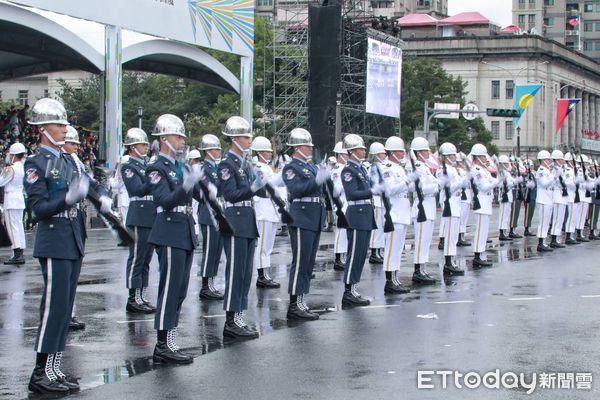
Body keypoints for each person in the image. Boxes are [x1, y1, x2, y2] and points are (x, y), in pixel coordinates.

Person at [25, 98, 89, 393]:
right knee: (53, 308)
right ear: (42, 129)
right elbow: (38, 208)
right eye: (58, 124)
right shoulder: (35, 162)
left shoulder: (65, 160)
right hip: (53, 238)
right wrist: (66, 199)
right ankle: (41, 373)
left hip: (71, 237)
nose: (65, 129)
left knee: (64, 309)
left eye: (64, 124)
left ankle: (54, 368)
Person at [147, 114, 201, 364]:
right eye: (178, 136)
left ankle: (171, 340)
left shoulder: (180, 166)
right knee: (169, 290)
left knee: (179, 290)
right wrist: (185, 186)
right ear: (165, 139)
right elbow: (164, 201)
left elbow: (195, 195)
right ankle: (162, 344)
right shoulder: (157, 167)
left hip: (184, 230)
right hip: (169, 230)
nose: (181, 140)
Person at [219, 116, 266, 338]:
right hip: (235, 218)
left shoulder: (245, 164)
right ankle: (231, 320)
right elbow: (230, 194)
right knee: (236, 271)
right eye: (246, 137)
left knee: (246, 273)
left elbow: (258, 191)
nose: (249, 140)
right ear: (235, 139)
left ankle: (239, 316)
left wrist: (266, 183)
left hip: (247, 219)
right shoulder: (227, 164)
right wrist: (253, 188)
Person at [61, 126, 112, 332]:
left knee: (74, 274)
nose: (76, 147)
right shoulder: (59, 161)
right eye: (72, 143)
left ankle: (70, 312)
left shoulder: (77, 163)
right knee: (63, 277)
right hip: (64, 221)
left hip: (77, 220)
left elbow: (91, 183)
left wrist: (102, 195)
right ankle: (64, 314)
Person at [282, 128, 327, 318]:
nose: (310, 149)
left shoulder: (312, 167)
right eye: (307, 146)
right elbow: (297, 190)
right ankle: (294, 304)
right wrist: (317, 180)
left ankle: (302, 300)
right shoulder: (291, 168)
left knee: (308, 263)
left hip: (314, 216)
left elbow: (320, 192)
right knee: (300, 262)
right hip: (301, 217)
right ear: (297, 148)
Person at [341, 133, 382, 305]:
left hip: (365, 213)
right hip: (356, 213)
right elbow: (351, 194)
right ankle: (348, 290)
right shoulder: (348, 170)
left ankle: (354, 287)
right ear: (351, 152)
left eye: (363, 148)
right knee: (354, 254)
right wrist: (372, 191)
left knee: (361, 254)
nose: (363, 151)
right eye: (359, 149)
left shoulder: (361, 169)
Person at [120, 128, 157, 313]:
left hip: (149, 215)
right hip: (139, 214)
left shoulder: (145, 166)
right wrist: (153, 179)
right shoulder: (128, 167)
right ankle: (133, 297)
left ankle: (141, 295)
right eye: (143, 144)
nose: (145, 147)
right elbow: (137, 189)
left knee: (146, 259)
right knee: (136, 258)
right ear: (133, 147)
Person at [380, 136, 411, 293]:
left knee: (398, 249)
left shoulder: (399, 167)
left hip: (402, 212)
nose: (403, 153)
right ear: (392, 152)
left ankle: (395, 278)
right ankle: (389, 281)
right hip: (394, 213)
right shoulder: (386, 168)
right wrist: (406, 182)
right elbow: (390, 189)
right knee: (392, 248)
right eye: (400, 150)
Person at [197, 134, 226, 300]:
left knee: (216, 251)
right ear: (208, 151)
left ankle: (211, 283)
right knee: (209, 251)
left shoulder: (215, 168)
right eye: (216, 149)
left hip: (217, 212)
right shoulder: (204, 168)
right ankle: (206, 286)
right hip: (208, 214)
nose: (218, 151)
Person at [251, 136, 282, 289]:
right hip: (263, 211)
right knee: (263, 245)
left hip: (271, 211)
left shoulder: (267, 167)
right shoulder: (258, 168)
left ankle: (266, 274)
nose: (270, 154)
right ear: (260, 152)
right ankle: (261, 275)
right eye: (267, 151)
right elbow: (263, 189)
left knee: (268, 246)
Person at [409, 137, 439, 283]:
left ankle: (423, 268)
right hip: (422, 207)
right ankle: (417, 270)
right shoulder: (417, 168)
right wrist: (436, 186)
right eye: (426, 150)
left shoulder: (425, 167)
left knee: (426, 241)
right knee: (421, 241)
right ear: (419, 152)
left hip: (429, 207)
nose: (428, 153)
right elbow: (418, 188)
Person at [436, 143, 466, 275]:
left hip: (456, 201)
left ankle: (452, 260)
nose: (455, 157)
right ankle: (448, 263)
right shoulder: (442, 170)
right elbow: (449, 187)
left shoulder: (453, 169)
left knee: (453, 235)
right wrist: (462, 182)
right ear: (446, 156)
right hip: (449, 201)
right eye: (452, 155)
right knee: (449, 235)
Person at [469, 144, 498, 267]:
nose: (485, 158)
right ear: (477, 157)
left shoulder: (484, 170)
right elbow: (484, 187)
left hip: (486, 203)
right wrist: (498, 181)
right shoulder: (476, 170)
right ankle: (477, 255)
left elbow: (492, 182)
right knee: (480, 230)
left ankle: (481, 253)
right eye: (482, 156)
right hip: (481, 202)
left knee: (484, 231)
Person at [0, 142, 27, 264]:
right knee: (19, 226)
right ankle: (20, 250)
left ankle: (17, 253)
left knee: (12, 227)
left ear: (14, 155)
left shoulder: (11, 168)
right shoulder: (23, 167)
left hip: (11, 199)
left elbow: (1, 181)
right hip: (19, 198)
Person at [331, 141, 348, 271]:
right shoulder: (338, 169)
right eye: (346, 154)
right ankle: (338, 258)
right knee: (340, 233)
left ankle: (343, 256)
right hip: (341, 203)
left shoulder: (346, 168)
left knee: (345, 233)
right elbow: (335, 190)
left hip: (347, 203)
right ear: (340, 155)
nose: (348, 156)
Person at [368, 142, 386, 264]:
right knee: (377, 228)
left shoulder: (382, 166)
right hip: (376, 200)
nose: (384, 155)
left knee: (381, 228)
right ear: (376, 154)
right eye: (382, 153)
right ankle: (374, 252)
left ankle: (379, 250)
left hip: (382, 200)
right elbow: (375, 182)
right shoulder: (374, 167)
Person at [534, 150, 554, 252]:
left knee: (546, 222)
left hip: (548, 199)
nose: (549, 161)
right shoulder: (541, 170)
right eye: (547, 159)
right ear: (542, 160)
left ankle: (544, 241)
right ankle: (541, 243)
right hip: (543, 199)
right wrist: (553, 177)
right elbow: (544, 184)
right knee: (542, 222)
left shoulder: (548, 170)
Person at [497, 155, 519, 241]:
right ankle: (502, 233)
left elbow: (511, 182)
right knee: (503, 215)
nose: (507, 165)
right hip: (503, 195)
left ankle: (504, 232)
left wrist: (516, 181)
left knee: (506, 215)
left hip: (508, 195)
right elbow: (500, 184)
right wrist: (512, 184)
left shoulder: (507, 172)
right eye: (505, 163)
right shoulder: (501, 172)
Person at [549, 150, 568, 248]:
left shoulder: (560, 169)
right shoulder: (553, 169)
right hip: (556, 194)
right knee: (557, 218)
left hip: (561, 195)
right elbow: (552, 182)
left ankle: (557, 237)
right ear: (556, 159)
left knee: (560, 218)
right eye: (560, 159)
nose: (562, 161)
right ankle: (553, 239)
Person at [456, 153, 472, 247]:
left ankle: (461, 236)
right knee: (461, 218)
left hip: (467, 196)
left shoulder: (464, 171)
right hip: (463, 196)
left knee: (464, 219)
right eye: (462, 162)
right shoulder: (459, 171)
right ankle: (459, 237)